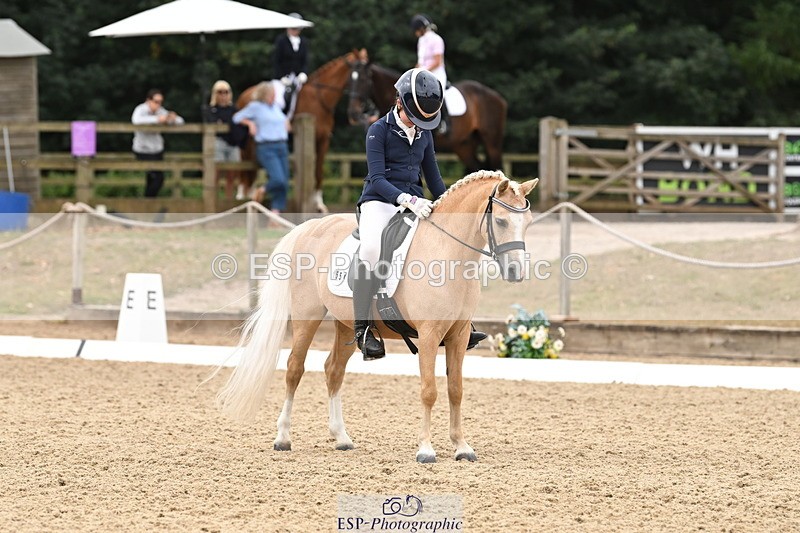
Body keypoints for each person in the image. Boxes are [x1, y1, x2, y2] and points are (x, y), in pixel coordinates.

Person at [353, 68, 485, 361]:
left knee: (444, 247)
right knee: (372, 249)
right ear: (399, 101)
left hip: (416, 202)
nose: (420, 123)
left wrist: (452, 210)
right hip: (380, 201)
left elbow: (435, 180)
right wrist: (406, 199)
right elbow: (376, 178)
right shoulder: (378, 130)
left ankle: (457, 319)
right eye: (416, 116)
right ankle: (362, 327)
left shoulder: (424, 134)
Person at [232, 81, 291, 213]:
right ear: (265, 95)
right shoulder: (255, 107)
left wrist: (286, 122)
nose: (274, 97)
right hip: (267, 147)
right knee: (278, 179)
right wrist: (250, 123)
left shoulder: (275, 108)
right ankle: (261, 190)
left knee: (284, 181)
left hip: (282, 145)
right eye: (272, 95)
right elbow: (236, 117)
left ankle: (275, 214)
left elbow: (282, 119)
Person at [131, 89, 184, 198]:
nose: (158, 105)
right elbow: (136, 121)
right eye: (156, 102)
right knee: (156, 178)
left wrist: (173, 118)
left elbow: (180, 121)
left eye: (160, 102)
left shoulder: (161, 111)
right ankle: (147, 203)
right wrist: (157, 119)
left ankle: (148, 205)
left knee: (155, 179)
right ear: (148, 101)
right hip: (142, 150)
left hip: (157, 150)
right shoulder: (140, 109)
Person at [204, 80, 248, 200]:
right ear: (215, 94)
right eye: (220, 92)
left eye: (226, 92)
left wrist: (227, 123)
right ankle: (213, 199)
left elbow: (234, 122)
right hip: (219, 142)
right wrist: (230, 123)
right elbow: (214, 124)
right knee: (216, 172)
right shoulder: (210, 109)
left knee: (232, 173)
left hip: (233, 144)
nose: (223, 95)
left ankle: (229, 199)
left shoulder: (234, 109)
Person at [411, 13, 449, 135]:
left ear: (421, 28)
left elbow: (437, 61)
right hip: (422, 74)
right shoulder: (421, 41)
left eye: (416, 30)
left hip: (436, 74)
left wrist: (423, 70)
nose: (415, 33)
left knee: (438, 95)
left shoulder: (436, 39)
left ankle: (443, 122)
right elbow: (420, 61)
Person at [273, 12, 309, 113]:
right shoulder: (281, 41)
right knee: (279, 100)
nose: (294, 31)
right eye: (292, 28)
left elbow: (305, 60)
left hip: (297, 78)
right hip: (283, 78)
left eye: (297, 28)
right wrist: (281, 77)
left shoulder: (303, 42)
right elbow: (276, 61)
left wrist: (303, 73)